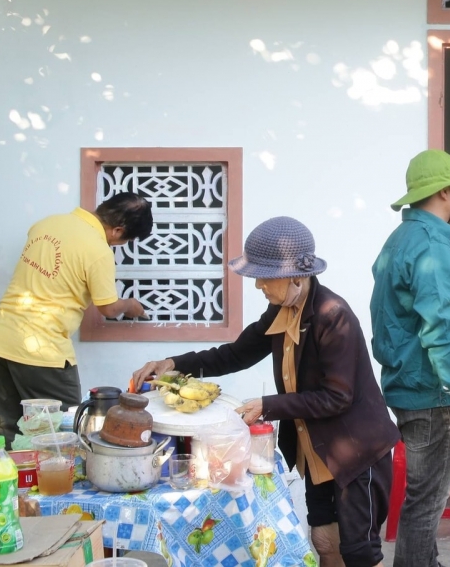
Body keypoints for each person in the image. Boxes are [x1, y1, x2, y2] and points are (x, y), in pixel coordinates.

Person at [131, 217, 399, 567]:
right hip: (317, 449)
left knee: (360, 553)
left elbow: (338, 396)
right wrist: (173, 363)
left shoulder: (334, 316)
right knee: (323, 538)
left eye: (265, 276)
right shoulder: (283, 308)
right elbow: (236, 353)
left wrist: (266, 406)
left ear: (296, 276)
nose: (258, 284)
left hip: (355, 452)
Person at [371, 150, 450, 567]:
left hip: (409, 386)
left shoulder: (401, 238)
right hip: (434, 392)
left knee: (421, 502)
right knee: (426, 506)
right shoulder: (432, 249)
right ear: (445, 194)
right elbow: (441, 331)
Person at [0, 193, 153, 445]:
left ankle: (11, 482)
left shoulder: (46, 224)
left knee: (11, 435)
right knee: (62, 435)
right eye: (126, 240)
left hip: (0, 341)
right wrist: (131, 305)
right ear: (118, 231)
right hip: (43, 353)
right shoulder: (98, 251)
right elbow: (107, 307)